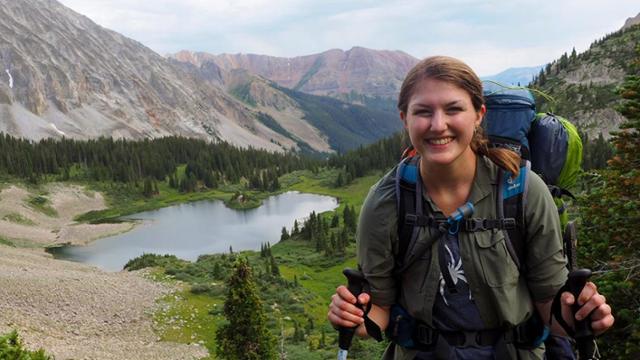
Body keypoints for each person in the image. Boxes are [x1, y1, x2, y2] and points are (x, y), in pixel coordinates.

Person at [327, 56, 614, 359]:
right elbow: (380, 310)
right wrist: (355, 316)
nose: (438, 125)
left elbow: (550, 309)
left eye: (454, 109)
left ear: (479, 114)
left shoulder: (523, 190)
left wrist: (581, 316)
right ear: (404, 118)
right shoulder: (387, 200)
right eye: (423, 112)